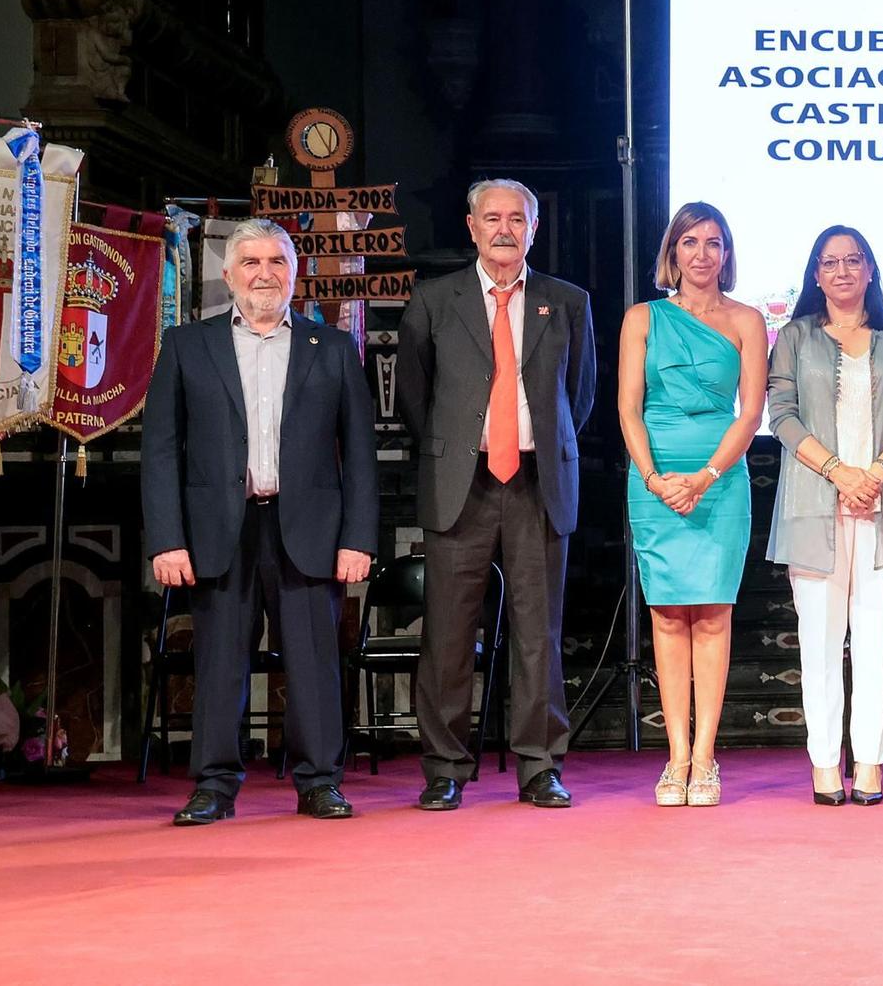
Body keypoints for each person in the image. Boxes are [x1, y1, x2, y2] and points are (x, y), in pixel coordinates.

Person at [140, 219, 377, 825]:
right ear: (228, 274)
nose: (264, 274)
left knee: (314, 664)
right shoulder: (187, 345)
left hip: (310, 529)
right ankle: (214, 787)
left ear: (294, 274)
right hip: (220, 529)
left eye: (277, 262)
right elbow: (161, 450)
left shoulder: (333, 348)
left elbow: (359, 452)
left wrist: (357, 538)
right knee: (220, 663)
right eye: (251, 262)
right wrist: (166, 539)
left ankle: (319, 782)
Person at [399, 178, 597, 810]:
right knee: (449, 635)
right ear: (472, 227)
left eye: (517, 218)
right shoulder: (434, 299)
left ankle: (540, 767)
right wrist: (460, 449)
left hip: (538, 483)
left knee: (539, 633)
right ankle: (445, 768)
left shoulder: (567, 301)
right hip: (461, 483)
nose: (505, 229)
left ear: (533, 229)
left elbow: (579, 396)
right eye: (493, 218)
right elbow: (414, 399)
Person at [766, 225, 883, 805]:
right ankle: (823, 765)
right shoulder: (794, 337)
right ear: (816, 274)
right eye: (830, 262)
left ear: (870, 269)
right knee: (819, 640)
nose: (842, 271)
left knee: (875, 641)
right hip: (816, 503)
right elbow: (781, 415)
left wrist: (875, 474)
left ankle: (870, 764)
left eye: (852, 260)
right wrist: (839, 473)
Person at [619, 203, 766, 808]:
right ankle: (675, 756)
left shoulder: (748, 319)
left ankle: (705, 757)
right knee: (666, 616)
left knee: (711, 616)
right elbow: (628, 408)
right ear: (672, 252)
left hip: (720, 479)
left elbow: (751, 414)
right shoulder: (642, 318)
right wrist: (655, 478)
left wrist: (705, 476)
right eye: (690, 242)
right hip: (654, 479)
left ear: (725, 253)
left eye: (713, 243)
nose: (702, 254)